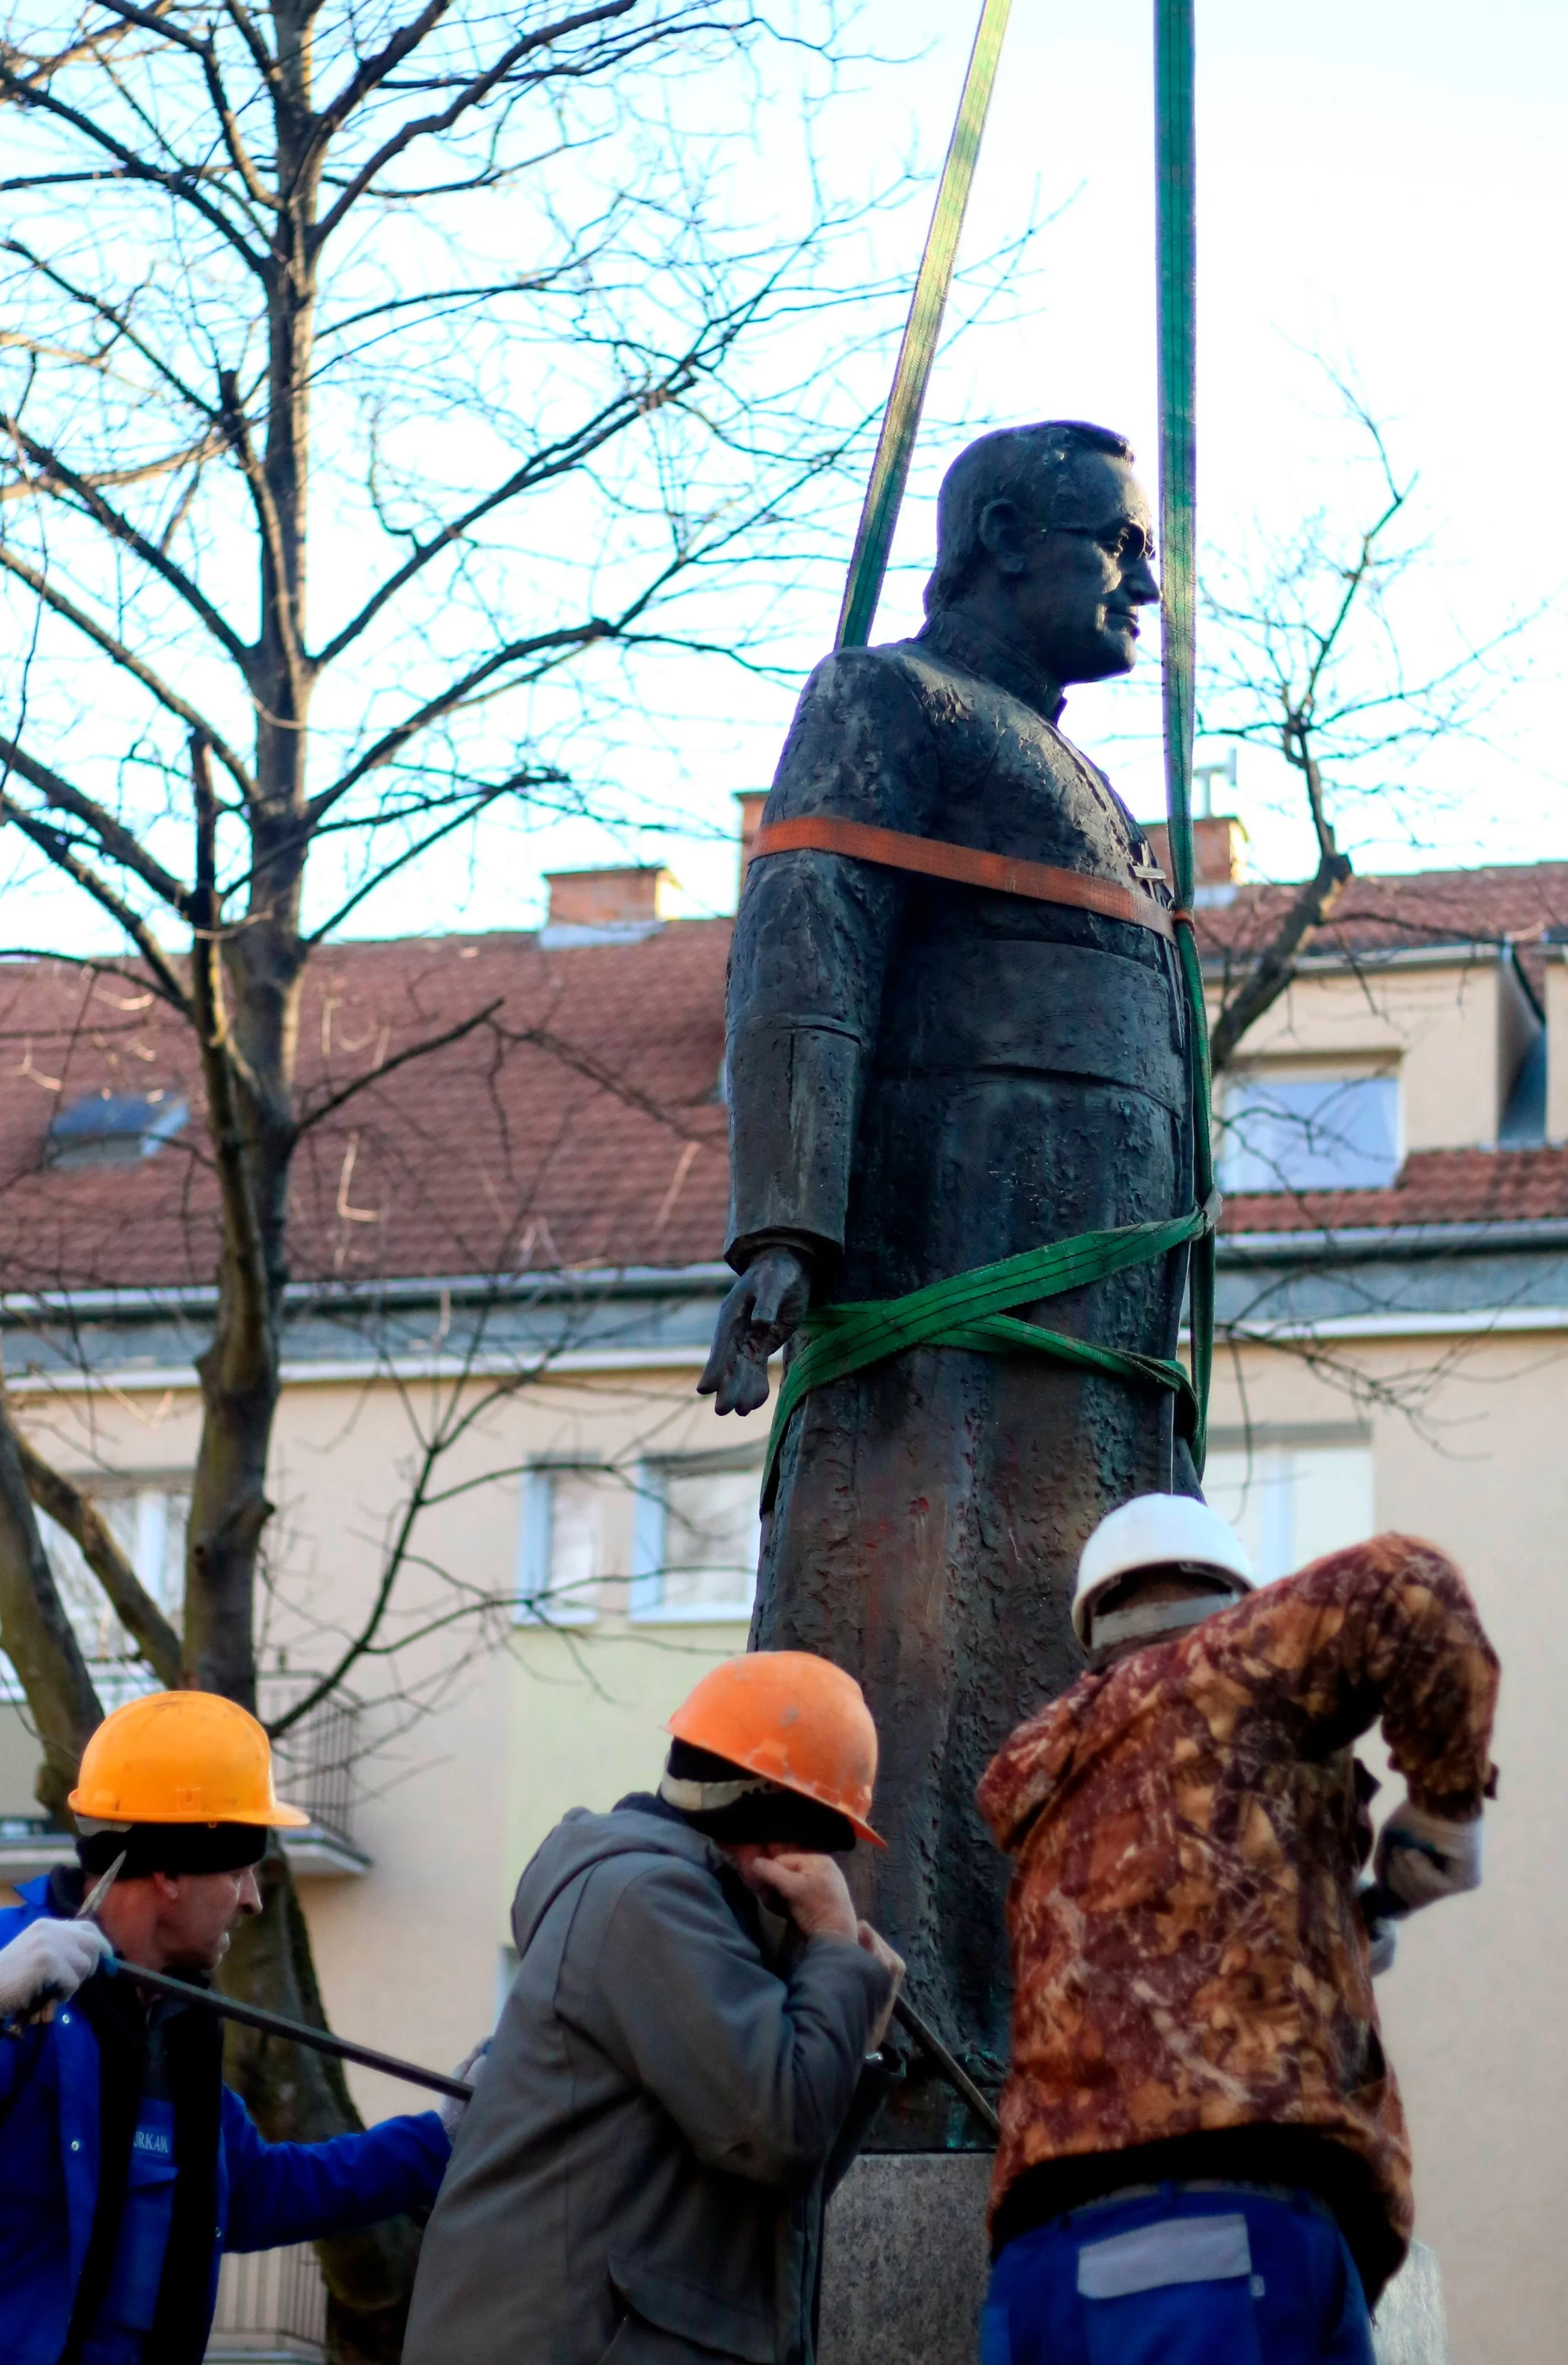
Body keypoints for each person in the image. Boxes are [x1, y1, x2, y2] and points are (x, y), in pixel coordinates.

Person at [701, 420, 1196, 2129]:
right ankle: (914, 2057)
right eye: (1115, 544)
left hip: (1094, 1345)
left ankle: (1039, 2039)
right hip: (950, 1308)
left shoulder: (1082, 774)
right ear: (997, 534)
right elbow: (807, 951)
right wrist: (788, 1223)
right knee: (930, 1662)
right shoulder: (892, 704)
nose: (1146, 583)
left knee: (1062, 1685)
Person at [976, 1495, 1500, 2365]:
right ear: (1235, 1600)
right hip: (1219, 2231)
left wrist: (1333, 1930)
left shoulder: (1055, 1773)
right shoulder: (1240, 1665)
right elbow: (1410, 1588)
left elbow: (1173, 1904)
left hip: (1050, 2258)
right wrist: (1447, 1816)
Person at [404, 1648, 906, 2365]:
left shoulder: (688, 1915)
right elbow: (777, 2134)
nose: (831, 1871)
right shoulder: (647, 1903)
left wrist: (846, 2034)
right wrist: (832, 1948)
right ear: (773, 1829)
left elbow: (770, 2202)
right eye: (826, 1839)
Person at [0, 1689, 466, 2365]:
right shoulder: (19, 1976)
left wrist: (443, 2140)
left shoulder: (174, 2022)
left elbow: (255, 2193)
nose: (251, 1900)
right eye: (240, 1869)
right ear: (166, 1868)